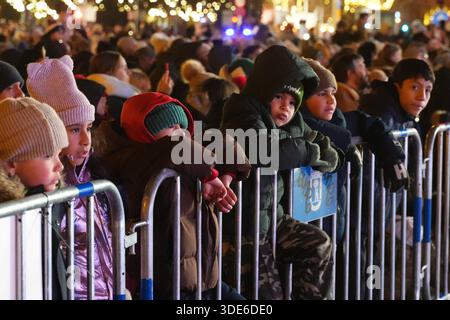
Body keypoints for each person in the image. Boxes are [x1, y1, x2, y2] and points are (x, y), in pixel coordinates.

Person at [93, 92, 251, 299]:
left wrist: (226, 178)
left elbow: (225, 142)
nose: (181, 133)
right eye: (171, 127)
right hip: (168, 285)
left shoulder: (185, 160)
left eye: (183, 126)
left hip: (203, 279)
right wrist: (210, 175)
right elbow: (175, 147)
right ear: (143, 133)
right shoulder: (137, 159)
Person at [221, 45, 341, 299]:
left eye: (292, 103)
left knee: (319, 245)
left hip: (272, 220)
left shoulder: (292, 121)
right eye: (279, 98)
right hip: (244, 229)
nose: (285, 108)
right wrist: (309, 153)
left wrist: (325, 156)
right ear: (265, 90)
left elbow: (319, 143)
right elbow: (262, 151)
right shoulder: (243, 110)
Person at [27, 55, 116, 300]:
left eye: (89, 127)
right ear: (52, 133)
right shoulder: (45, 190)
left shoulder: (94, 176)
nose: (87, 140)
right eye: (75, 129)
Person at [0, 97, 68, 300]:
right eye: (48, 155)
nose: (60, 165)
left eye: (59, 154)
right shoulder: (7, 213)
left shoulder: (52, 202)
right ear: (11, 163)